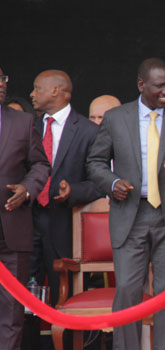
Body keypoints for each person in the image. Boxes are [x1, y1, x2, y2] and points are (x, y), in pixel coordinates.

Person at [86, 58, 165, 350]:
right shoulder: (116, 117)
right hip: (130, 213)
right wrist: (112, 183)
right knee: (128, 292)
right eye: (160, 86)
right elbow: (95, 163)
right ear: (141, 85)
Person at [28, 69, 103, 306]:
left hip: (64, 224)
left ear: (56, 90)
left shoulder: (88, 131)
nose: (32, 94)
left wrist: (73, 191)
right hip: (28, 221)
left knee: (66, 302)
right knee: (23, 300)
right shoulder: (28, 126)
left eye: (37, 88)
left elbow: (100, 182)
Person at [0, 66, 50, 350]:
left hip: (11, 228)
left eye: (2, 78)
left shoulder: (23, 121)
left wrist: (28, 189)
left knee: (11, 312)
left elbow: (41, 164)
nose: (1, 84)